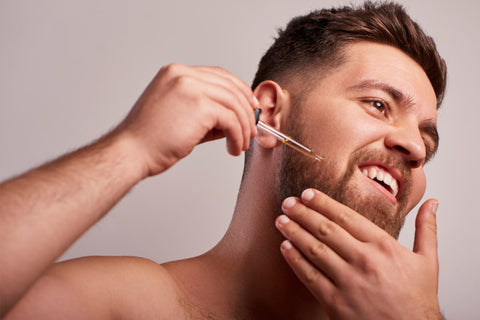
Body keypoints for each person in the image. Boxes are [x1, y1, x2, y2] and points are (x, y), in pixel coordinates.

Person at [1, 2, 447, 319]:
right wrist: (132, 148)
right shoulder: (127, 305)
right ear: (271, 113)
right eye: (378, 105)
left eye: (427, 143)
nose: (413, 148)